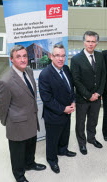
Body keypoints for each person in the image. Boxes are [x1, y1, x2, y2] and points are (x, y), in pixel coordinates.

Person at [0, 45, 46, 182]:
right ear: (12, 60)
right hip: (17, 124)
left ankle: (30, 163)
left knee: (31, 145)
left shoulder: (28, 71)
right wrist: (8, 122)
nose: (23, 59)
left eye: (25, 56)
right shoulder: (6, 81)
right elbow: (0, 107)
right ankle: (19, 176)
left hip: (30, 119)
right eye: (19, 57)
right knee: (17, 153)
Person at [38, 44, 76, 174]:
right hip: (54, 115)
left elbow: (70, 88)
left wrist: (73, 102)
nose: (60, 58)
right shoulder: (45, 74)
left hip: (68, 111)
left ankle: (63, 150)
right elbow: (47, 99)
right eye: (57, 55)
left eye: (63, 55)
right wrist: (63, 109)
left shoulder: (65, 68)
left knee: (65, 134)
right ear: (51, 56)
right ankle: (52, 159)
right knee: (52, 139)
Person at [70, 31, 106, 155]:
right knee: (80, 122)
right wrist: (88, 95)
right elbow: (76, 80)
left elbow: (103, 76)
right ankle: (82, 143)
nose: (90, 44)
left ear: (96, 43)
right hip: (82, 98)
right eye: (88, 41)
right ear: (84, 42)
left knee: (93, 120)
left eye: (93, 41)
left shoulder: (100, 56)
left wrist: (98, 93)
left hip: (97, 97)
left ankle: (91, 138)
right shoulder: (76, 59)